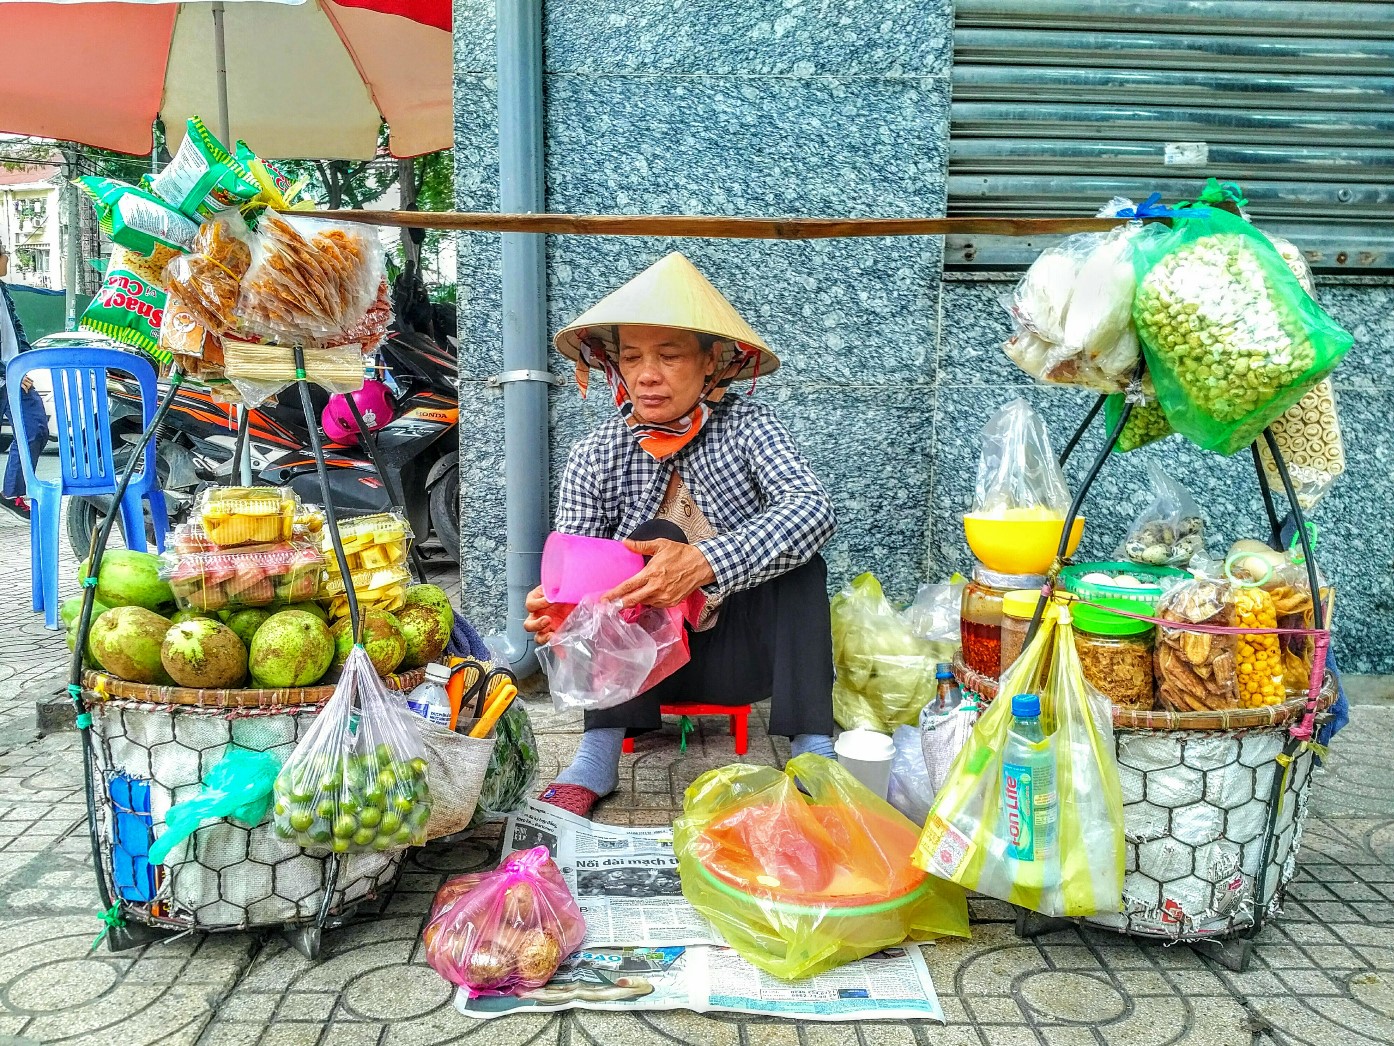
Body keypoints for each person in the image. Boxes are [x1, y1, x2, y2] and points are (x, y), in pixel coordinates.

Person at [524, 252, 838, 818]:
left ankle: (813, 750)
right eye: (632, 357)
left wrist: (704, 562)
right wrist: (558, 607)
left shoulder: (748, 425)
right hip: (639, 667)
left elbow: (812, 509)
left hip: (743, 658)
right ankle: (597, 756)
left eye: (668, 356)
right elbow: (574, 560)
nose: (647, 374)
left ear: (710, 362)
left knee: (804, 560)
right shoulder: (597, 451)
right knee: (646, 537)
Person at [0, 243, 46, 520]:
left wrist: (23, 363)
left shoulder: (4, 291)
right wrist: (9, 371)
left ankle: (12, 493)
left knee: (35, 428)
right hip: (9, 375)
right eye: (4, 252)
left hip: (13, 377)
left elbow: (15, 331)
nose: (7, 257)